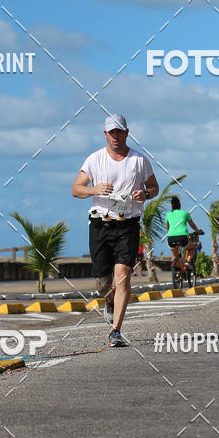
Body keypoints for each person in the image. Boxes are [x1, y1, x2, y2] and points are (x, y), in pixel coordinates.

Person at [72, 114, 159, 346]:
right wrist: (94, 189)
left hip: (127, 224)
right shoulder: (94, 159)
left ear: (127, 132)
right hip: (100, 224)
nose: (116, 136)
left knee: (122, 275)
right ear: (105, 134)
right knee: (102, 283)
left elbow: (154, 187)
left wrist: (146, 194)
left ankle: (116, 331)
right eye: (112, 132)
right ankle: (108, 300)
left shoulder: (139, 160)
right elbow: (76, 189)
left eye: (120, 131)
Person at [165, 197, 203, 271]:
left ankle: (175, 269)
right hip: (182, 238)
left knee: (175, 256)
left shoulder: (168, 214)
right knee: (192, 248)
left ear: (171, 206)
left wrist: (171, 234)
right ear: (180, 205)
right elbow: (192, 225)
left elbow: (167, 227)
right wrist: (198, 231)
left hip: (171, 238)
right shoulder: (185, 213)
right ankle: (188, 262)